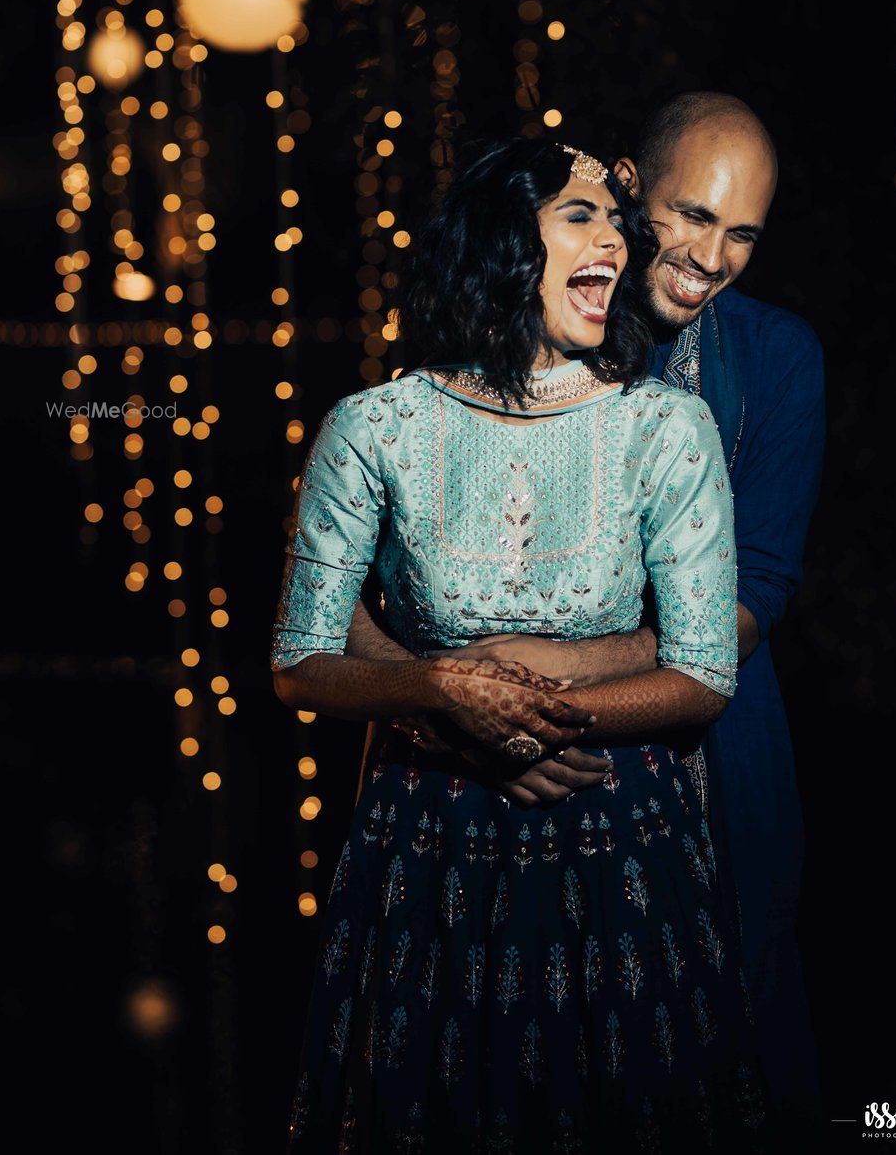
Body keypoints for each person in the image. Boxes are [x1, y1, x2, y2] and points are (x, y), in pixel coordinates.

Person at [271, 137, 768, 1152]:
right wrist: (443, 697)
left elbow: (705, 671)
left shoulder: (665, 427)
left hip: (618, 835)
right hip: (426, 851)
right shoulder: (373, 427)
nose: (616, 245)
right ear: (503, 241)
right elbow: (299, 663)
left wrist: (530, 724)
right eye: (578, 215)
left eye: (614, 222)